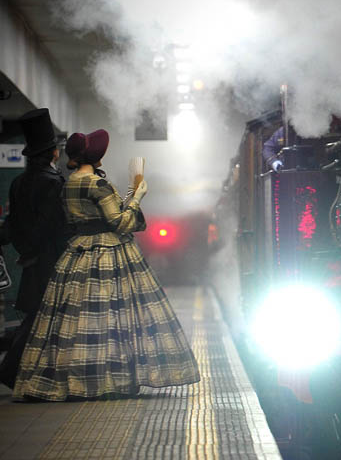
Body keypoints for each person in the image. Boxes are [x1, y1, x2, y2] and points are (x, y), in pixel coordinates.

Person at [12, 128, 200, 400]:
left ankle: (75, 379)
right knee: (113, 317)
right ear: (96, 156)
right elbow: (120, 222)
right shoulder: (97, 184)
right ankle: (108, 379)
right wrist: (137, 196)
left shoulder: (69, 183)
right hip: (109, 253)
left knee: (74, 322)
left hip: (77, 252)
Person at [0, 108, 69, 389]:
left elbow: (13, 223)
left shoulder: (18, 183)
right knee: (42, 318)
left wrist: (25, 250)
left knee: (37, 317)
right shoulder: (53, 183)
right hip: (50, 260)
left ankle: (32, 374)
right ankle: (10, 371)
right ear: (52, 153)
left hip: (29, 260)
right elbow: (51, 225)